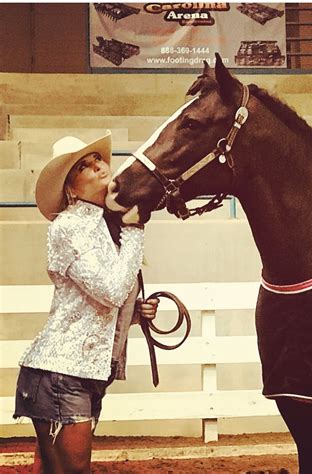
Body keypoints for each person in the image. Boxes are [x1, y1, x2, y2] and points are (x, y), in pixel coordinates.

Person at [13, 131, 158, 473]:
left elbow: (98, 303)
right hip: (63, 374)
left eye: (97, 160)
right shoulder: (68, 227)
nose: (98, 167)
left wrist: (134, 314)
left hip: (81, 375)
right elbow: (110, 290)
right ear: (71, 188)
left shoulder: (102, 227)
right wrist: (135, 231)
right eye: (84, 166)